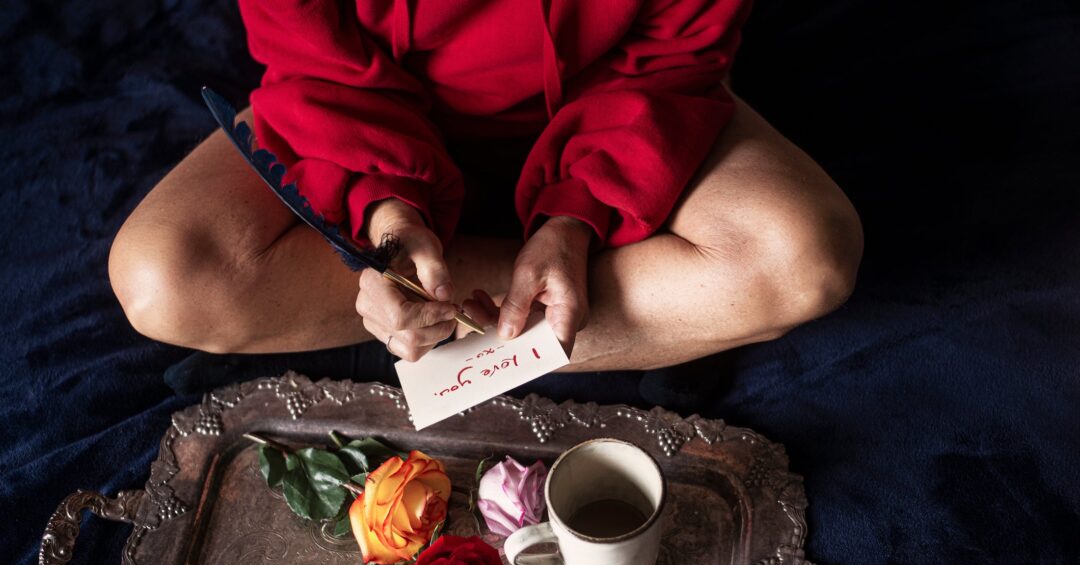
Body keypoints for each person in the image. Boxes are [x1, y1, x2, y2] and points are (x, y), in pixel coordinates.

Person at [109, 0, 862, 375]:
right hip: (362, 108)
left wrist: (573, 216)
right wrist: (387, 220)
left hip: (622, 101)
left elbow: (674, 50)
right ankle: (475, 301)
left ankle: (482, 315)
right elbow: (313, 56)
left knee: (801, 258)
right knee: (163, 277)